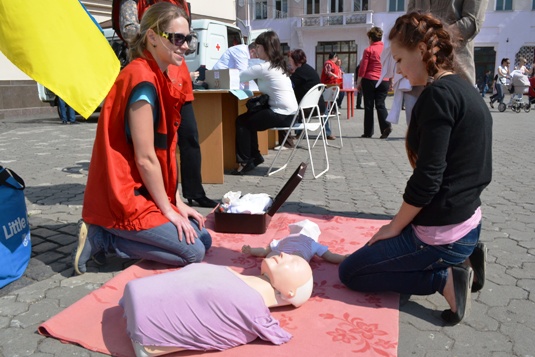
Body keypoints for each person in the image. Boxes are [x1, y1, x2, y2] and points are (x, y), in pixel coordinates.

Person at [339, 12, 492, 325]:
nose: (398, 69)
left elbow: (427, 181)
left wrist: (394, 227)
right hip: (469, 219)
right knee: (378, 250)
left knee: (351, 272)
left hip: (444, 231)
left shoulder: (437, 97)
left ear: (422, 50)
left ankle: (445, 277)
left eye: (398, 59)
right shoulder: (465, 89)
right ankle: (464, 254)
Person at [73, 3, 212, 276]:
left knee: (202, 237)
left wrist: (177, 202)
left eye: (188, 38)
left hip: (140, 190)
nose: (185, 46)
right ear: (152, 36)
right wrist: (169, 210)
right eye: (177, 38)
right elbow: (146, 158)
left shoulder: (154, 74)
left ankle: (114, 235)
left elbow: (160, 153)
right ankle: (104, 238)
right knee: (194, 251)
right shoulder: (142, 79)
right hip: (125, 195)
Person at [119, 0, 217, 208]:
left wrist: (181, 36)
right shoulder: (134, 2)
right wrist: (159, 30)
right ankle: (162, 195)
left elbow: (190, 38)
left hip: (179, 79)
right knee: (159, 143)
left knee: (189, 137)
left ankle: (193, 191)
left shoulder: (180, 3)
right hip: (155, 74)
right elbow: (129, 31)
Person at [120, 253, 313, 356]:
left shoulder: (251, 307)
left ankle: (152, 338)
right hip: (140, 297)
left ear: (290, 293)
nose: (285, 254)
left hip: (145, 328)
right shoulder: (232, 275)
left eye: (294, 262)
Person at [231, 31, 298, 175]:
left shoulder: (263, 67)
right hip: (291, 114)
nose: (255, 50)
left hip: (281, 114)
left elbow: (236, 78)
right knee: (250, 118)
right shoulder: (278, 66)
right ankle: (254, 157)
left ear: (264, 48)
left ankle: (246, 160)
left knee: (242, 122)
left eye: (257, 47)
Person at [407, 0, 488, 87]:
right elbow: (409, 21)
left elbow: (471, 22)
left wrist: (436, 40)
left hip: (455, 65)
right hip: (419, 69)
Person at [242, 219, 347, 264]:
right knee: (274, 254)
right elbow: (329, 256)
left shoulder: (313, 244)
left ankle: (275, 270)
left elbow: (264, 251)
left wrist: (343, 258)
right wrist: (251, 250)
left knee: (277, 254)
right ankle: (274, 270)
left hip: (291, 257)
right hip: (287, 257)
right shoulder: (313, 243)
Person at [356, 27, 391, 139]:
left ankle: (368, 132)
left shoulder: (369, 50)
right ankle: (386, 127)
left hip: (370, 79)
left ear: (371, 38)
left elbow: (363, 68)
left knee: (369, 106)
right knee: (381, 104)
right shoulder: (387, 49)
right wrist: (391, 80)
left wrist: (358, 81)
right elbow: (390, 66)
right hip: (384, 80)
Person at [287, 48, 326, 148]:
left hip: (309, 108)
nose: (289, 63)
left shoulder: (300, 72)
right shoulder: (307, 69)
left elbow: (287, 85)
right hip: (318, 106)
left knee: (283, 110)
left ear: (295, 61)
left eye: (290, 61)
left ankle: (286, 142)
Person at [320, 52, 344, 140]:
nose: (337, 59)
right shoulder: (328, 63)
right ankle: (326, 132)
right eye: (336, 57)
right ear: (334, 57)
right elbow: (327, 72)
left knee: (337, 99)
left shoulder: (335, 65)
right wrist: (334, 75)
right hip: (327, 87)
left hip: (333, 87)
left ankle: (333, 110)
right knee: (325, 108)